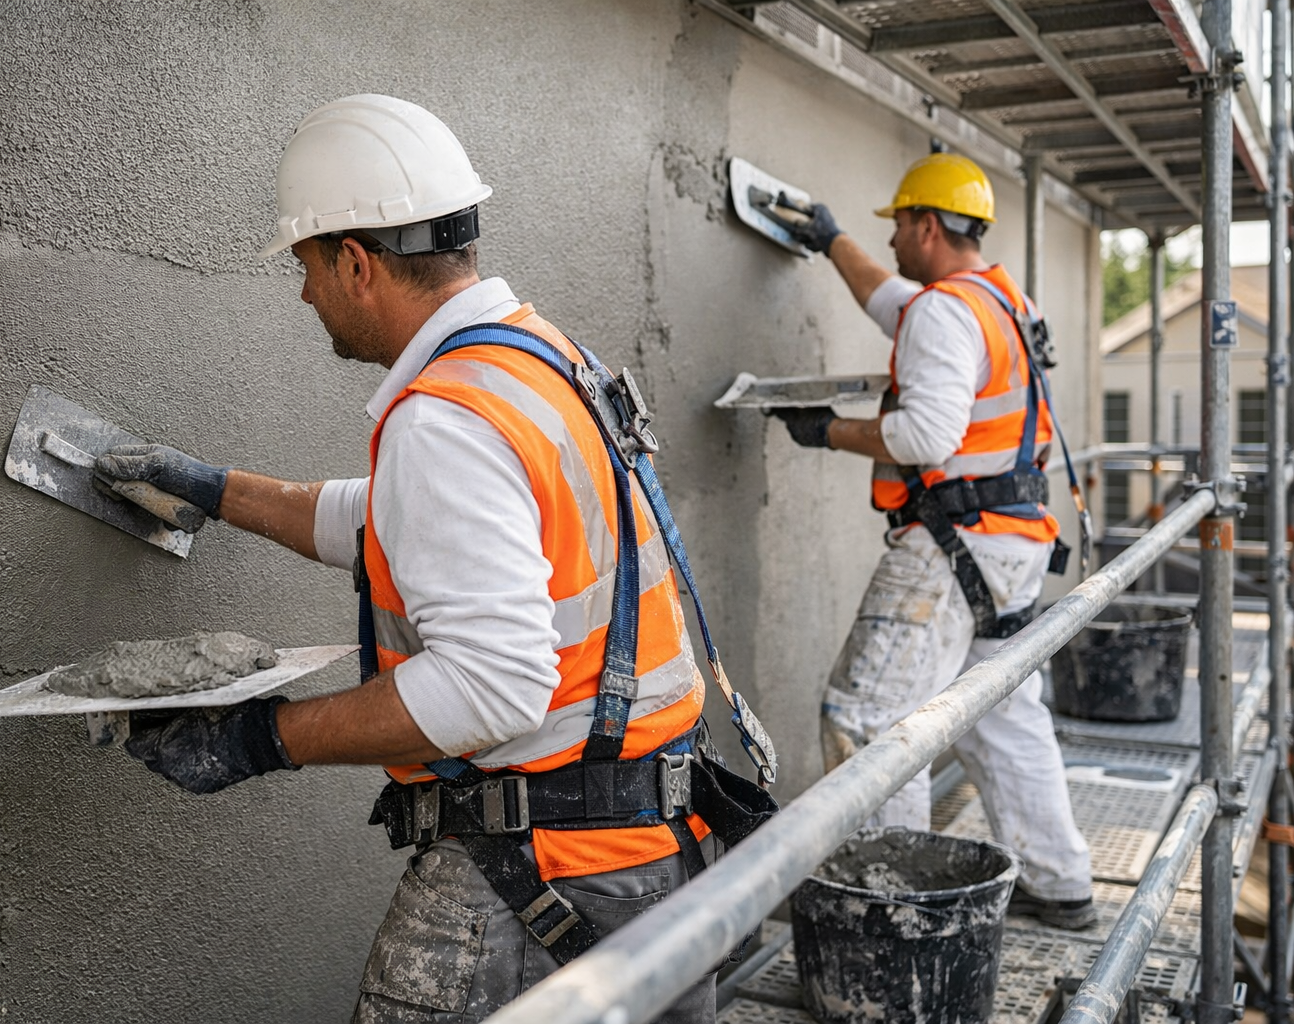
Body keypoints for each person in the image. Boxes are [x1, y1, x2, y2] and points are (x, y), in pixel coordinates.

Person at [95, 94, 775, 1023]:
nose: (303, 296)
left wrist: (258, 739)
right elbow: (398, 525)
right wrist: (215, 489)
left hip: (550, 868)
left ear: (356, 263)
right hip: (649, 848)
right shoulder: (542, 361)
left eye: (305, 268)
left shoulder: (445, 418)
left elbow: (493, 688)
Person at [775, 152, 1095, 928]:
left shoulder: (944, 311)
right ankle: (1061, 883)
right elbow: (893, 304)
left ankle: (894, 908)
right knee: (999, 717)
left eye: (896, 228)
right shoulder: (999, 299)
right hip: (1011, 542)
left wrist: (827, 432)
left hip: (953, 546)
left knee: (868, 717)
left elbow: (925, 433)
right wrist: (829, 239)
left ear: (926, 224)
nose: (889, 245)